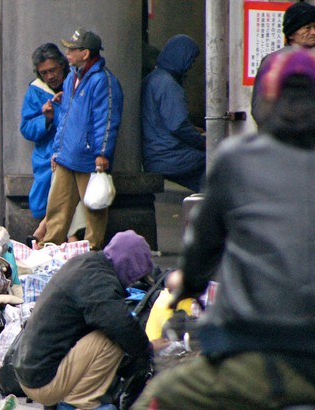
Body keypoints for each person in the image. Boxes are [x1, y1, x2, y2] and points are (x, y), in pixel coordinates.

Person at [134, 48, 315, 409]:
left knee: (158, 398)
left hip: (261, 355)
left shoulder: (239, 159)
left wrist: (184, 283)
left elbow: (202, 250)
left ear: (265, 101)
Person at [13, 230, 154, 410]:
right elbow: (122, 326)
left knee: (111, 329)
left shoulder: (87, 263)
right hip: (41, 382)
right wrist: (149, 350)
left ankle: (68, 398)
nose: (133, 282)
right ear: (128, 264)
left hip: (30, 371)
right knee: (112, 340)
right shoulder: (98, 280)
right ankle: (81, 403)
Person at [40, 28, 124, 251]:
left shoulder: (103, 81)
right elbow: (64, 117)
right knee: (56, 207)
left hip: (89, 158)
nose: (67, 52)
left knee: (94, 208)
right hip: (67, 155)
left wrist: (102, 153)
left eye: (72, 49)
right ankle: (50, 248)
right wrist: (56, 150)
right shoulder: (71, 79)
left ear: (85, 53)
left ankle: (93, 251)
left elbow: (106, 120)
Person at [19, 43, 83, 246]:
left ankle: (47, 238)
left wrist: (61, 112)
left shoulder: (77, 84)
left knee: (68, 199)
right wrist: (45, 119)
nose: (50, 77)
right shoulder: (35, 92)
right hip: (45, 157)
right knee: (45, 200)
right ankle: (51, 240)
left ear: (62, 66)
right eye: (44, 73)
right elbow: (26, 128)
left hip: (72, 153)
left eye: (53, 70)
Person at [141, 34, 206, 193]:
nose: (191, 64)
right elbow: (178, 125)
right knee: (215, 161)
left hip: (153, 154)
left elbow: (162, 120)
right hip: (169, 156)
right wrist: (202, 142)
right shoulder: (168, 84)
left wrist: (193, 129)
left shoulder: (153, 78)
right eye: (191, 59)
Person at [251, 1, 315, 126]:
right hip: (284, 135)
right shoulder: (274, 61)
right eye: (307, 28)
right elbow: (259, 108)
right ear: (291, 33)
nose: (313, 32)